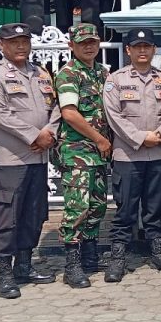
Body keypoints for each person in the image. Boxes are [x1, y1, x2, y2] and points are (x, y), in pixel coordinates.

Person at [0, 22, 60, 299]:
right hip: (10, 159)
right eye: (14, 42)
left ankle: (24, 265)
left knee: (33, 213)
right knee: (5, 216)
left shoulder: (42, 74)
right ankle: (4, 274)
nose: (21, 46)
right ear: (2, 45)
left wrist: (50, 133)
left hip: (38, 158)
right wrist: (35, 136)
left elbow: (57, 107)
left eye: (24, 41)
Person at [101, 27, 161, 282]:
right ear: (128, 50)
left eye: (147, 47)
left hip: (158, 154)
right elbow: (114, 116)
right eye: (137, 47)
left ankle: (158, 252)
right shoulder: (115, 80)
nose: (142, 51)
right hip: (128, 156)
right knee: (125, 211)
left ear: (154, 50)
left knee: (155, 208)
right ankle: (118, 258)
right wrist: (142, 137)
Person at [53, 23, 112, 288]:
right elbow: (70, 113)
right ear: (72, 46)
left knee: (97, 205)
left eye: (92, 41)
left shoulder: (102, 73)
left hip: (99, 154)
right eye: (82, 42)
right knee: (77, 207)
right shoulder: (69, 74)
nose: (88, 46)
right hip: (78, 153)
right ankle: (72, 265)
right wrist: (99, 138)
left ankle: (90, 255)